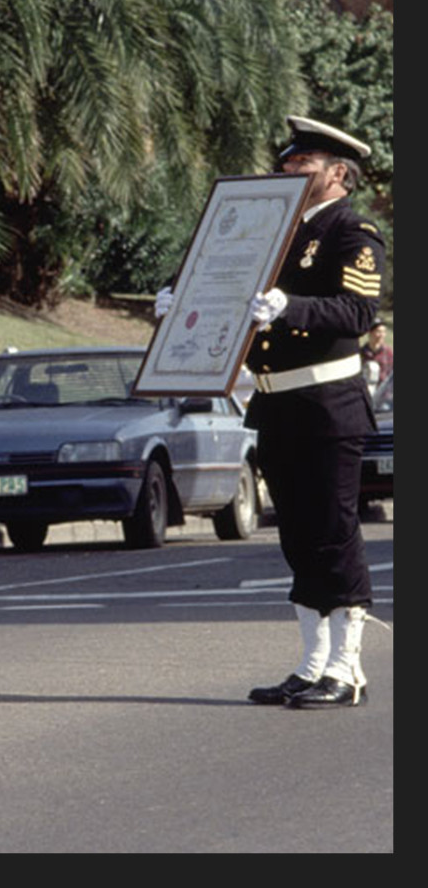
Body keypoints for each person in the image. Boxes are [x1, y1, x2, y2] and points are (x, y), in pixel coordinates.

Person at [231, 116, 385, 709]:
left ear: (336, 174)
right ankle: (310, 663)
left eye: (303, 164)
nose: (288, 169)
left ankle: (347, 670)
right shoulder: (276, 231)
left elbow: (355, 313)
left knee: (334, 535)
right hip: (277, 405)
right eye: (288, 161)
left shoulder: (353, 231)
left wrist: (289, 306)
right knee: (296, 537)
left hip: (328, 407)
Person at [360, 320, 394, 391]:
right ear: (370, 333)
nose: (381, 335)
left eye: (384, 332)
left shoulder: (389, 353)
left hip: (382, 395)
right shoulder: (360, 353)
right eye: (378, 331)